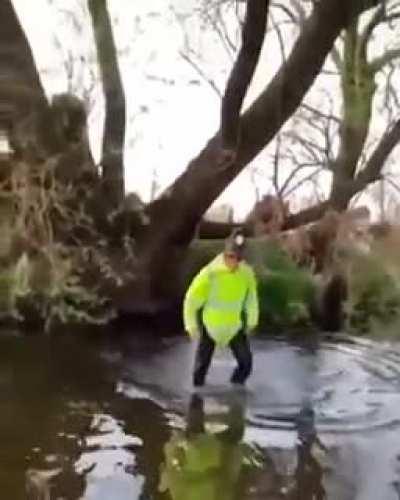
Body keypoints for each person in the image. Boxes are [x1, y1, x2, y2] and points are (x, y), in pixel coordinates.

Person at [183, 229, 259, 387]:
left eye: (238, 258)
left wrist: (252, 320)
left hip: (233, 327)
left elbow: (251, 298)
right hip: (211, 326)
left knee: (246, 364)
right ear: (225, 254)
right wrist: (191, 326)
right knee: (200, 371)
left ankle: (235, 389)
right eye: (231, 257)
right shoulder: (209, 274)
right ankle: (196, 403)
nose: (234, 262)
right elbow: (191, 300)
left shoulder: (247, 274)